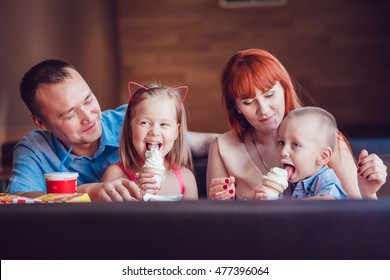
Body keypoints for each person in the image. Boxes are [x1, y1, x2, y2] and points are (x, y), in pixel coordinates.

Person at [7, 59, 213, 201]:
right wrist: (87, 192)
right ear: (41, 122)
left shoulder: (129, 120)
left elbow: (200, 142)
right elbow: (16, 199)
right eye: (70, 114)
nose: (88, 117)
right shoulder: (34, 149)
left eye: (88, 100)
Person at [207, 48, 387, 200]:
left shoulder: (321, 136)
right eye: (248, 102)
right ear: (236, 107)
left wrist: (368, 192)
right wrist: (220, 204)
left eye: (269, 94)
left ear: (285, 89)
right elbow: (216, 225)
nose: (263, 109)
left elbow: (357, 212)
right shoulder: (222, 149)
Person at [102, 82, 198, 201]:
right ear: (130, 127)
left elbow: (193, 219)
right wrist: (134, 194)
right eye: (145, 123)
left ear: (176, 132)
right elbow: (108, 218)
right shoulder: (115, 175)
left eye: (164, 124)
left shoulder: (186, 178)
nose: (154, 131)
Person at [256, 106, 348, 200]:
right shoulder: (285, 183)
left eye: (295, 145)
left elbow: (327, 204)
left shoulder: (326, 182)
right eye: (281, 142)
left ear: (322, 156)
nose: (283, 151)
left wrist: (279, 206)